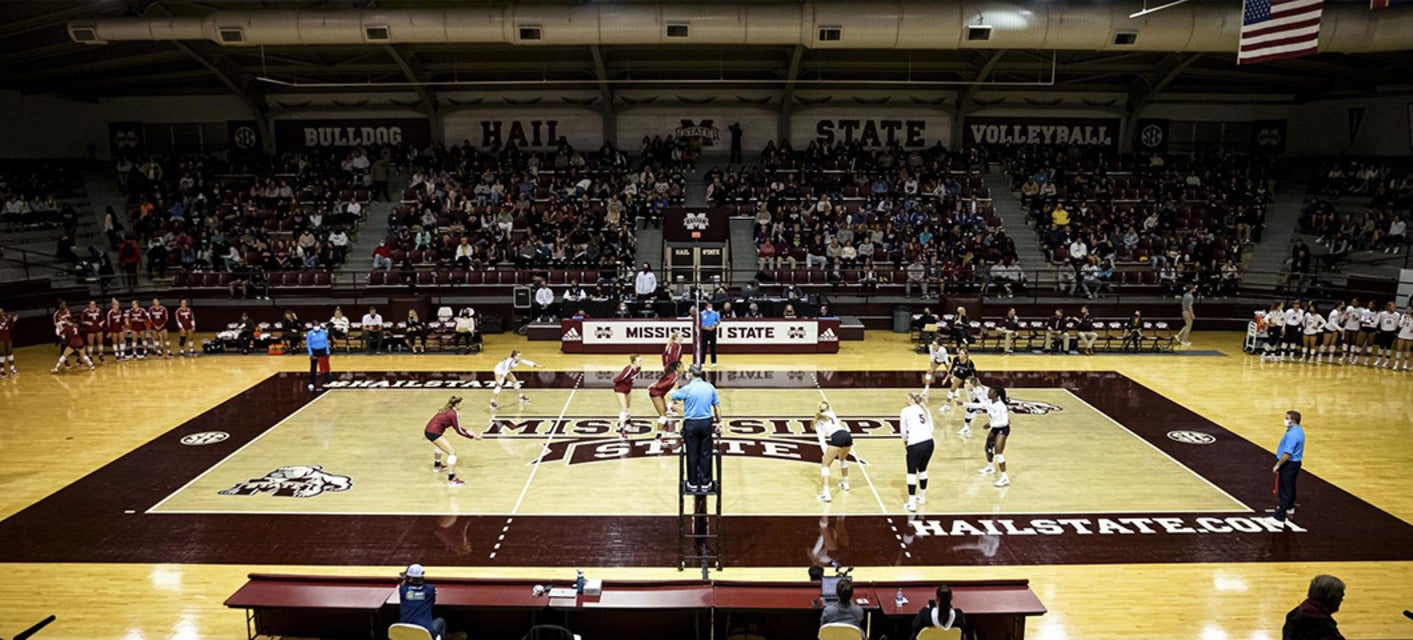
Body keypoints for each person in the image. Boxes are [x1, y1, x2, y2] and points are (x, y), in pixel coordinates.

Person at [669, 363, 721, 493]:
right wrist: (719, 422)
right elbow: (717, 407)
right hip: (705, 423)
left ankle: (692, 483)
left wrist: (670, 385)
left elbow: (673, 395)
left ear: (691, 374)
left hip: (691, 424)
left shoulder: (687, 389)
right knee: (706, 453)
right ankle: (705, 482)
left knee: (692, 453)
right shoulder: (710, 387)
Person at [425, 396, 476, 487]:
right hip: (434, 433)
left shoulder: (449, 410)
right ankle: (451, 479)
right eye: (461, 404)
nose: (462, 406)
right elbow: (459, 431)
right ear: (456, 404)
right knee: (452, 453)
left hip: (429, 431)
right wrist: (473, 437)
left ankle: (437, 466)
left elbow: (458, 427)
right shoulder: (453, 414)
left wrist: (467, 431)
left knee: (440, 445)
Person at [970, 385, 1013, 488]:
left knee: (998, 453)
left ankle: (1004, 478)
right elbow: (978, 405)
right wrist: (962, 404)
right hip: (995, 428)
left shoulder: (1001, 406)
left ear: (996, 394)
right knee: (988, 447)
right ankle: (990, 467)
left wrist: (990, 424)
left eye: (990, 392)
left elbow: (1004, 422)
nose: (988, 393)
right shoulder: (990, 402)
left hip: (1003, 429)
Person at [900, 392, 935, 512]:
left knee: (911, 473)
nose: (905, 400)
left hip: (915, 443)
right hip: (929, 442)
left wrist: (905, 442)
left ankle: (912, 502)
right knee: (923, 469)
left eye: (906, 398)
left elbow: (903, 431)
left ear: (911, 400)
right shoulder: (923, 408)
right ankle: (922, 497)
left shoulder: (905, 411)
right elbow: (931, 427)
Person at [1282, 575, 1345, 640]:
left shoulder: (1294, 614)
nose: (1341, 600)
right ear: (1330, 598)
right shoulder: (1327, 630)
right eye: (1340, 596)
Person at [814, 401, 852, 503]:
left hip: (837, 437)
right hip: (847, 435)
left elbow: (821, 439)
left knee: (825, 465)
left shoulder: (817, 421)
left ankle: (826, 494)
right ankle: (845, 483)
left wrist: (825, 455)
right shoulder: (831, 414)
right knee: (842, 458)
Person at [398, 564, 447, 640]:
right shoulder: (430, 589)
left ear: (409, 579)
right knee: (441, 621)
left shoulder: (403, 590)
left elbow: (403, 584)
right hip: (425, 634)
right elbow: (432, 602)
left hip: (406, 634)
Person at [1273, 410, 1304, 525]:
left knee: (1285, 489)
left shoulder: (1292, 435)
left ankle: (1279, 517)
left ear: (1293, 420)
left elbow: (1287, 453)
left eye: (1287, 418)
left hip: (1289, 464)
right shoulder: (1298, 430)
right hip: (1295, 464)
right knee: (1290, 487)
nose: (1285, 420)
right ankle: (1290, 508)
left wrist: (1278, 464)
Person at [649, 360, 682, 439]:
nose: (684, 368)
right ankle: (658, 437)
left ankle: (663, 431)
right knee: (663, 416)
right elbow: (662, 385)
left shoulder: (674, 374)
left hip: (659, 394)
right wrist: (655, 386)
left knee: (665, 412)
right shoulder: (673, 376)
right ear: (677, 368)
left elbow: (662, 381)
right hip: (656, 394)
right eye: (682, 367)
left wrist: (655, 384)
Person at [613, 354, 643, 438]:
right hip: (620, 389)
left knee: (628, 406)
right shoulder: (628, 369)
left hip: (628, 389)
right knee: (624, 408)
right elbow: (618, 379)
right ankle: (621, 428)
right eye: (639, 361)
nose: (641, 362)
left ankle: (628, 421)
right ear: (634, 362)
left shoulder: (638, 369)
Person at [306, 322, 330, 391]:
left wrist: (327, 351)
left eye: (318, 325)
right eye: (315, 325)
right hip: (314, 351)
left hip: (323, 350)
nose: (317, 326)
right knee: (313, 367)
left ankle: (327, 380)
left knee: (325, 366)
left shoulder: (323, 332)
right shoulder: (310, 333)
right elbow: (308, 344)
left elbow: (326, 342)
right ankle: (312, 382)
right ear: (313, 326)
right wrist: (310, 354)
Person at [699, 302, 721, 367]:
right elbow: (699, 324)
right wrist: (705, 328)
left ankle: (713, 362)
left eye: (711, 306)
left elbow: (718, 322)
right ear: (705, 307)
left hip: (712, 331)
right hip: (704, 331)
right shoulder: (701, 314)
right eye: (709, 306)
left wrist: (714, 326)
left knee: (713, 347)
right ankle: (702, 362)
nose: (710, 308)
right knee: (703, 347)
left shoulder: (715, 313)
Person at [0, 308, 16, 376]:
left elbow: (10, 327)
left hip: (8, 338)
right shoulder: (4, 320)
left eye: (2, 311)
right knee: (2, 354)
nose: (2, 313)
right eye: (0, 312)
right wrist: (7, 320)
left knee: (10, 352)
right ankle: (1, 370)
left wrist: (13, 321)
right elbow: (1, 327)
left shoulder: (6, 318)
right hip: (1, 339)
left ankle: (12, 369)